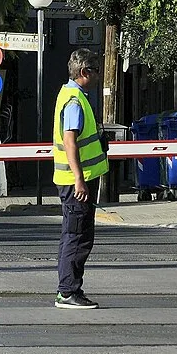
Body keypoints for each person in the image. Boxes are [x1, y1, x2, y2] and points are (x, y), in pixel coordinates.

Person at [52, 49, 108, 309]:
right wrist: (79, 180)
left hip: (74, 180)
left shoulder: (71, 95)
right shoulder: (74, 100)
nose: (99, 77)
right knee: (77, 237)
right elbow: (70, 141)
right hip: (77, 182)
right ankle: (68, 292)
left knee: (73, 235)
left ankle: (69, 289)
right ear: (85, 72)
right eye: (96, 72)